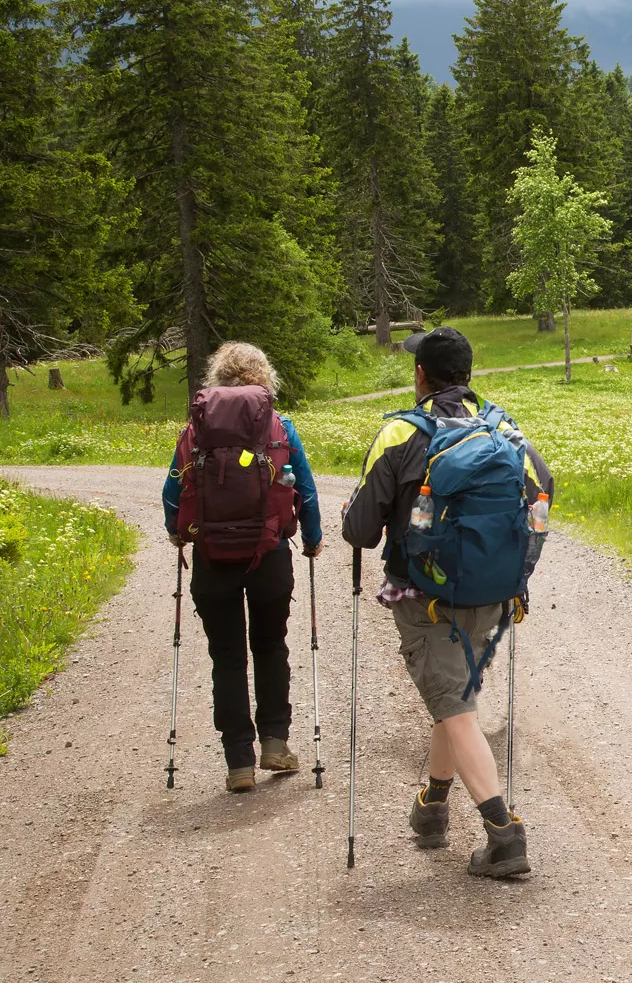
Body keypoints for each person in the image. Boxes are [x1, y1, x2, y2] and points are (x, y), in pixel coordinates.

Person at [341, 326, 554, 878]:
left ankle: (504, 835)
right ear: (468, 374)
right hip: (493, 594)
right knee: (453, 694)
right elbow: (541, 500)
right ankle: (433, 805)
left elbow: (361, 532)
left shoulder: (398, 434)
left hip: (425, 596)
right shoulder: (507, 431)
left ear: (420, 376)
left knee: (455, 707)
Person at [163, 342, 322, 793]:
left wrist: (177, 532)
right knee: (270, 646)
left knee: (226, 658)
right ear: (264, 380)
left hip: (212, 558)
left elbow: (172, 495)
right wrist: (312, 539)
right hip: (268, 554)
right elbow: (305, 490)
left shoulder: (196, 431)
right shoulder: (280, 426)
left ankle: (238, 763)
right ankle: (274, 742)